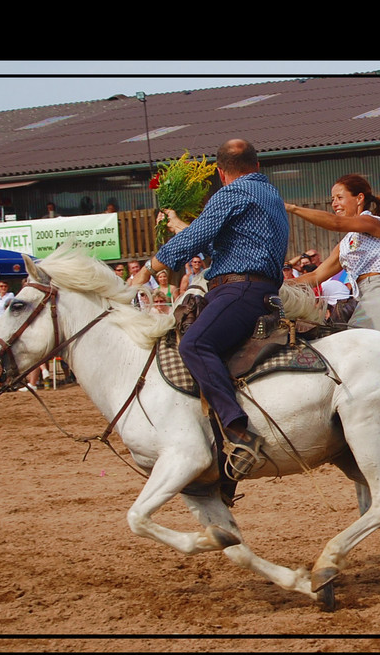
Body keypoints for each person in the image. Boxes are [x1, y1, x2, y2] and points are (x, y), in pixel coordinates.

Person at [134, 138, 289, 480]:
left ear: (220, 172)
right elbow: (220, 243)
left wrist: (147, 270)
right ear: (257, 165)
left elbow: (194, 240)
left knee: (193, 344)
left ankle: (237, 431)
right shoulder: (268, 194)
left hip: (239, 291)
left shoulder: (231, 193)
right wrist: (179, 225)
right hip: (255, 287)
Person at [284, 173, 380, 349]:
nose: (334, 204)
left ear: (359, 198)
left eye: (340, 197)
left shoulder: (377, 223)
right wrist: (280, 285)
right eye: (333, 199)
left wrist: (292, 208)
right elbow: (315, 275)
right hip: (361, 300)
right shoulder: (346, 244)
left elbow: (336, 223)